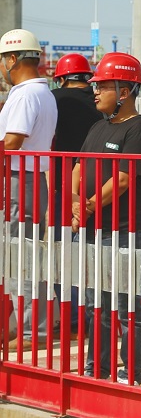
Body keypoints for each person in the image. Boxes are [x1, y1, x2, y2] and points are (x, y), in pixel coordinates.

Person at [71, 52, 141, 385]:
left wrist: (87, 205)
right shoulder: (97, 127)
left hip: (123, 232)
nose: (95, 92)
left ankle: (130, 372)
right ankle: (97, 367)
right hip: (92, 229)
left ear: (124, 91)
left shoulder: (139, 129)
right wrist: (76, 201)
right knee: (97, 305)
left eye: (102, 86)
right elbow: (78, 167)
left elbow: (123, 179)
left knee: (127, 306)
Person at [0, 28, 57, 350]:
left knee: (18, 255)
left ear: (12, 59)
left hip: (20, 179)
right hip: (32, 179)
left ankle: (29, 332)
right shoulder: (42, 92)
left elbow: (12, 140)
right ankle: (30, 328)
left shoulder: (24, 95)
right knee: (27, 254)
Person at [51, 53, 103, 335]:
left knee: (63, 252)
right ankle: (96, 316)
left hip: (65, 187)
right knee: (94, 252)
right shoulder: (100, 101)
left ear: (61, 78)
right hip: (99, 189)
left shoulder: (54, 99)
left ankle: (73, 318)